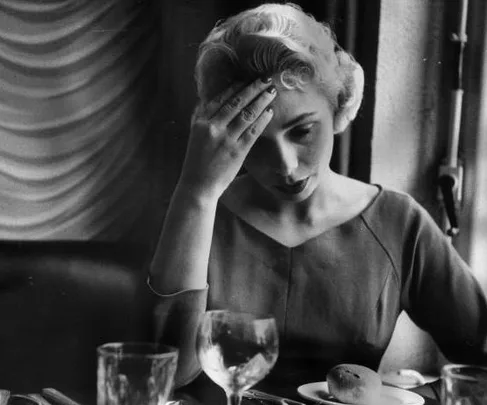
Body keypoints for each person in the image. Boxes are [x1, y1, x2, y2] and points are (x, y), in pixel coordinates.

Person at [149, 2, 487, 403]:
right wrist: (196, 193)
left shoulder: (400, 223)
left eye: (303, 130)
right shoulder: (201, 216)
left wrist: (404, 401)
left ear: (338, 106)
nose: (287, 168)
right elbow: (169, 376)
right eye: (254, 139)